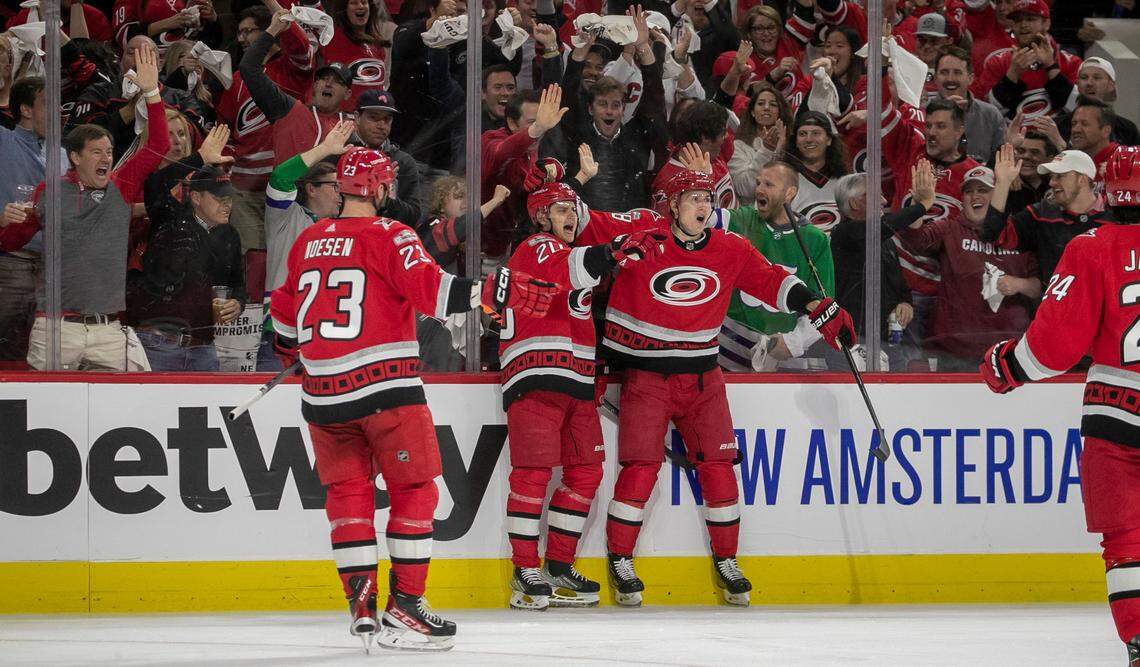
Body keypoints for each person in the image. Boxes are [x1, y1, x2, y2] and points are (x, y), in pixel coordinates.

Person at [269, 147, 558, 650]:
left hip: (322, 396)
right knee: (416, 491)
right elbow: (436, 293)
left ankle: (361, 604)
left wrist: (292, 350)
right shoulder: (393, 235)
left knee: (348, 495)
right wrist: (496, 290)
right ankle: (404, 607)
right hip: (386, 393)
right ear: (379, 188)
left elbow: (283, 321)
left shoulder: (309, 240)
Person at [599, 168, 855, 607]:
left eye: (708, 199)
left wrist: (813, 302)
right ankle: (621, 558)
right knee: (640, 468)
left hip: (704, 379)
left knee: (719, 468)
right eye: (694, 199)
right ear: (673, 206)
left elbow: (772, 279)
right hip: (648, 379)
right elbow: (587, 225)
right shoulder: (644, 239)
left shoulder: (729, 247)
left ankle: (727, 559)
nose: (704, 207)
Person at [978, 145, 1140, 667]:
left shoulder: (1091, 247)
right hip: (1113, 421)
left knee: (1127, 541)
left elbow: (1054, 347)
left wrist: (1006, 368)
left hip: (1114, 420)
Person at [500, 181, 664, 611]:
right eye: (558, 209)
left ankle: (557, 566)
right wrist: (612, 250)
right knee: (533, 474)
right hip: (535, 374)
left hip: (576, 378)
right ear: (539, 217)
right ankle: (524, 570)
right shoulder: (534, 247)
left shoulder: (576, 254)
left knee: (587, 471)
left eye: (573, 208)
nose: (569, 216)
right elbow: (570, 267)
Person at [0, 47, 168, 372]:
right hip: (56, 328)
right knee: (46, 412)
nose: (106, 158)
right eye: (96, 152)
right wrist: (7, 222)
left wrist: (151, 92)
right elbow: (11, 242)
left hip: (108, 329)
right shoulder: (49, 191)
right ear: (74, 158)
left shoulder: (120, 186)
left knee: (133, 401)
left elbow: (158, 145)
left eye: (108, 151)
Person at [890, 160, 1039, 371]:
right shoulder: (951, 227)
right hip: (957, 351)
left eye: (983, 190)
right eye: (969, 191)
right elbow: (916, 239)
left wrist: (1019, 284)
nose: (975, 196)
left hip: (1010, 350)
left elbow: (1039, 287)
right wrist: (919, 205)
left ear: (999, 195)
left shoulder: (1017, 232)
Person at [129, 129, 246, 372]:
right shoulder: (169, 217)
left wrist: (237, 303)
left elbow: (238, 286)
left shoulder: (231, 235)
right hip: (159, 342)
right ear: (195, 197)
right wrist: (199, 157)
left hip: (204, 347)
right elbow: (156, 182)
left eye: (229, 199)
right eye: (218, 199)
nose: (227, 205)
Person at [713, 162, 835, 371]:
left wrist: (793, 342)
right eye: (759, 182)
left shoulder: (815, 240)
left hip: (774, 360)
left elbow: (824, 306)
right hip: (722, 355)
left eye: (769, 184)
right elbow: (701, 220)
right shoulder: (741, 220)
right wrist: (698, 184)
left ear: (789, 193)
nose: (759, 189)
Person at [217, 1, 315, 252]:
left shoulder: (292, 69)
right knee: (254, 263)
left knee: (287, 260)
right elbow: (224, 129)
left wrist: (274, 8)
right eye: (239, 32)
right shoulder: (237, 80)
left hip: (286, 188)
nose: (241, 38)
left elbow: (302, 46)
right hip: (245, 192)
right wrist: (228, 172)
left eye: (248, 31)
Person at [0, 77, 67, 368]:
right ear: (26, 110)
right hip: (11, 264)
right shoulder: (3, 142)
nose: (58, 111)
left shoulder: (65, 155)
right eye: (48, 103)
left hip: (54, 270)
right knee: (7, 354)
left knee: (45, 359)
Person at [982, 146, 1112, 282]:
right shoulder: (1041, 214)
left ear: (1082, 179)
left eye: (1060, 176)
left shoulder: (1115, 218)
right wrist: (1003, 183)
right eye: (1051, 176)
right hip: (1054, 302)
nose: (1052, 182)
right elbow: (994, 235)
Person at [829, 173, 914, 371]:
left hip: (889, 344)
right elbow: (881, 227)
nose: (884, 201)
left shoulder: (886, 242)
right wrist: (922, 206)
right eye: (875, 195)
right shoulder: (843, 235)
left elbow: (901, 287)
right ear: (854, 203)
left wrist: (905, 304)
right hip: (850, 343)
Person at [974, 0, 1082, 119]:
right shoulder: (997, 62)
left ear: (1046, 23)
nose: (1023, 25)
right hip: (1010, 135)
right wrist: (1012, 75)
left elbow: (1077, 109)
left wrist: (1051, 67)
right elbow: (986, 114)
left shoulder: (1072, 63)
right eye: (1018, 20)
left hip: (1057, 135)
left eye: (1030, 19)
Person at [932, 46, 1008, 164]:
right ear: (935, 78)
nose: (950, 78)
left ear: (970, 78)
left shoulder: (991, 115)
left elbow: (1001, 162)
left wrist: (1011, 143)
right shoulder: (921, 113)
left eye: (957, 72)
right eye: (944, 72)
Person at [727, 82, 790, 205]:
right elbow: (744, 189)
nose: (766, 108)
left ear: (780, 112)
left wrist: (780, 150)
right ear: (752, 112)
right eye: (761, 104)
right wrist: (767, 150)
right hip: (753, 217)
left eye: (773, 104)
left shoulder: (793, 143)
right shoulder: (738, 146)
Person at [1054, 58, 1140, 147]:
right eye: (1084, 78)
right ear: (1078, 85)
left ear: (1111, 85)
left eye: (1097, 78)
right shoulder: (1058, 125)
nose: (1089, 83)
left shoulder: (1127, 129)